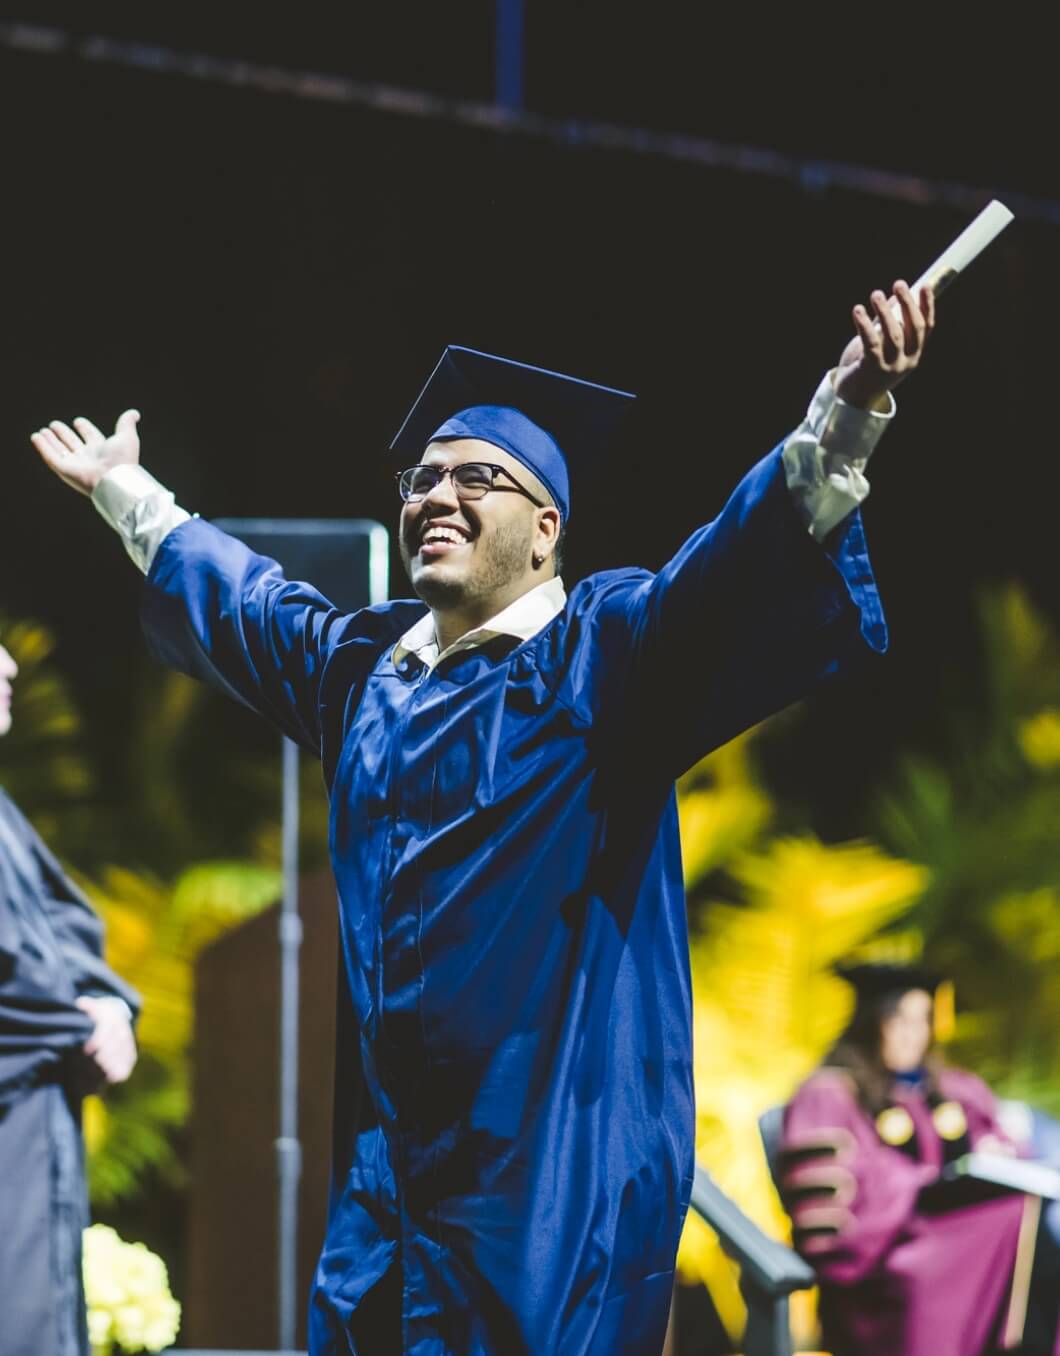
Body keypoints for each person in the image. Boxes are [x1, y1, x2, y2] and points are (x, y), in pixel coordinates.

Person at [31, 279, 932, 1355]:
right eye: (421, 478)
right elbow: (250, 604)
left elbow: (728, 576)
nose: (434, 496)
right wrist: (129, 493)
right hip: (390, 1198)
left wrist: (845, 411)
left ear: (546, 529)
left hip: (549, 1196)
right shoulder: (362, 670)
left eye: (476, 478)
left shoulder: (605, 658)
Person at [779, 962, 1060, 1356]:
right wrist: (926, 1182)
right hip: (885, 1260)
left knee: (1023, 1211)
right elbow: (834, 1214)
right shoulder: (831, 1094)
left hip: (956, 1236)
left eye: (923, 1019)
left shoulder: (951, 1087)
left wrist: (993, 1153)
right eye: (899, 1019)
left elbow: (998, 1139)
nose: (914, 1033)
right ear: (869, 1022)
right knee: (1016, 1221)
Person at [0, 641, 140, 1356]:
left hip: (36, 1128)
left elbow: (64, 929)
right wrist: (79, 1021)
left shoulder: (4, 816)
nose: (8, 666)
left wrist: (106, 1004)